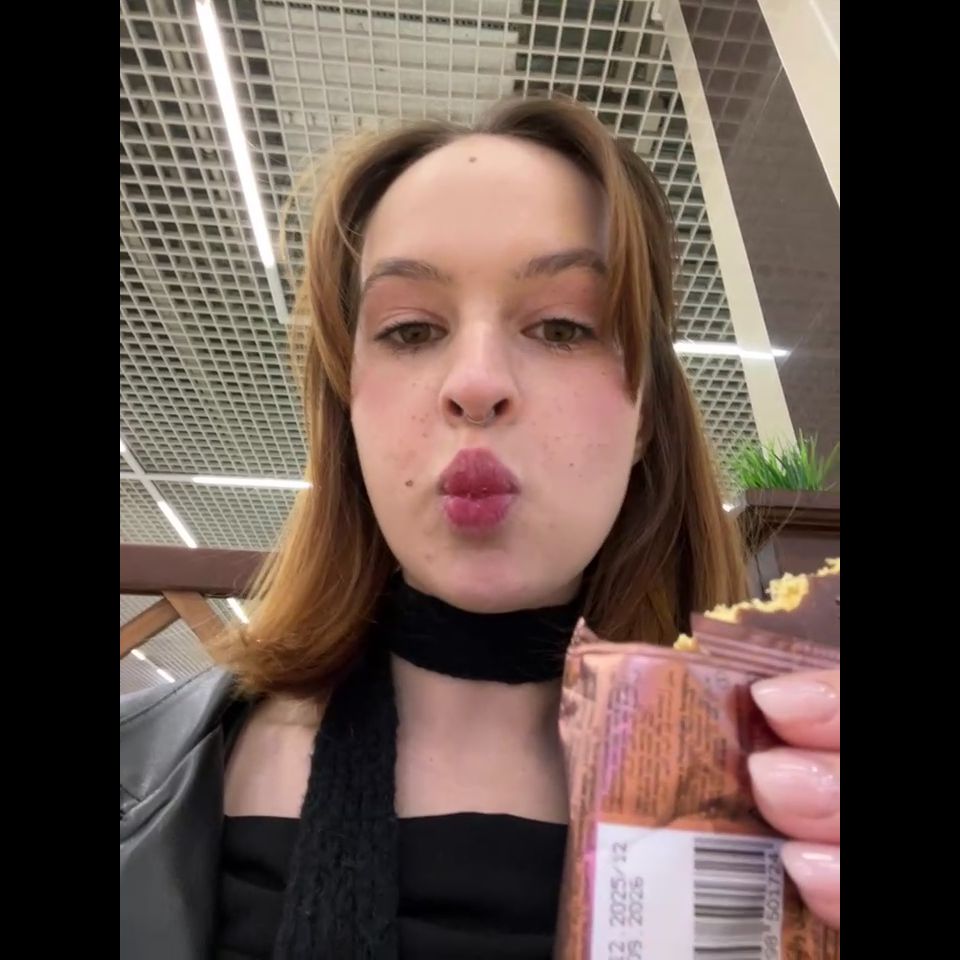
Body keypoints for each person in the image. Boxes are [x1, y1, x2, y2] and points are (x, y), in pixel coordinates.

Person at [120, 97, 840, 959]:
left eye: (564, 326)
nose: (475, 382)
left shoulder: (782, 793)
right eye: (410, 329)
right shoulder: (145, 781)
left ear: (646, 414)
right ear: (349, 406)